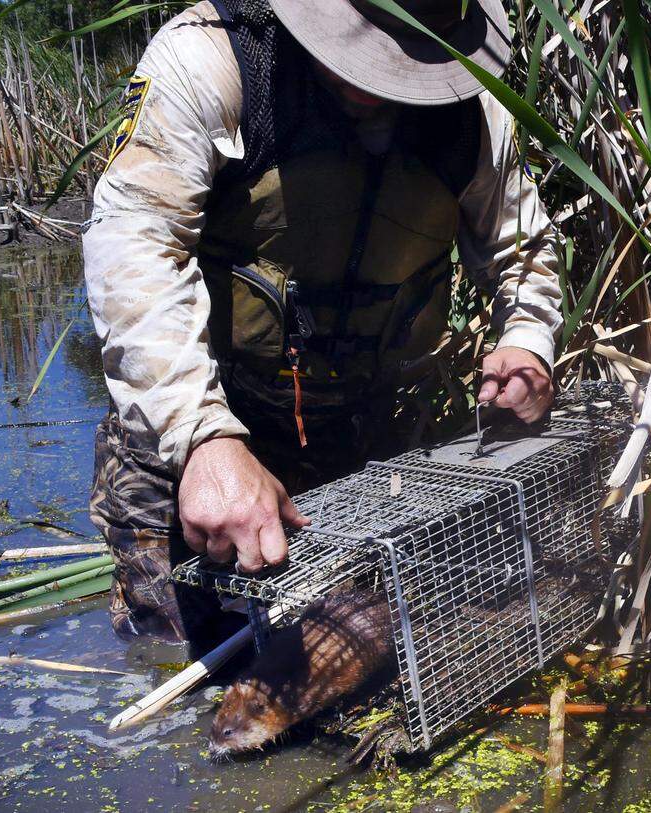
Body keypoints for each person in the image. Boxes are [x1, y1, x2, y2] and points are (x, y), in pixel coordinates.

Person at [83, 0, 563, 656]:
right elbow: (133, 243)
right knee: (176, 660)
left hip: (363, 439)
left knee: (361, 656)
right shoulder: (214, 59)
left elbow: (523, 249)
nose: (375, 82)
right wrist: (202, 437)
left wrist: (526, 341)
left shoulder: (473, 113)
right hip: (191, 440)